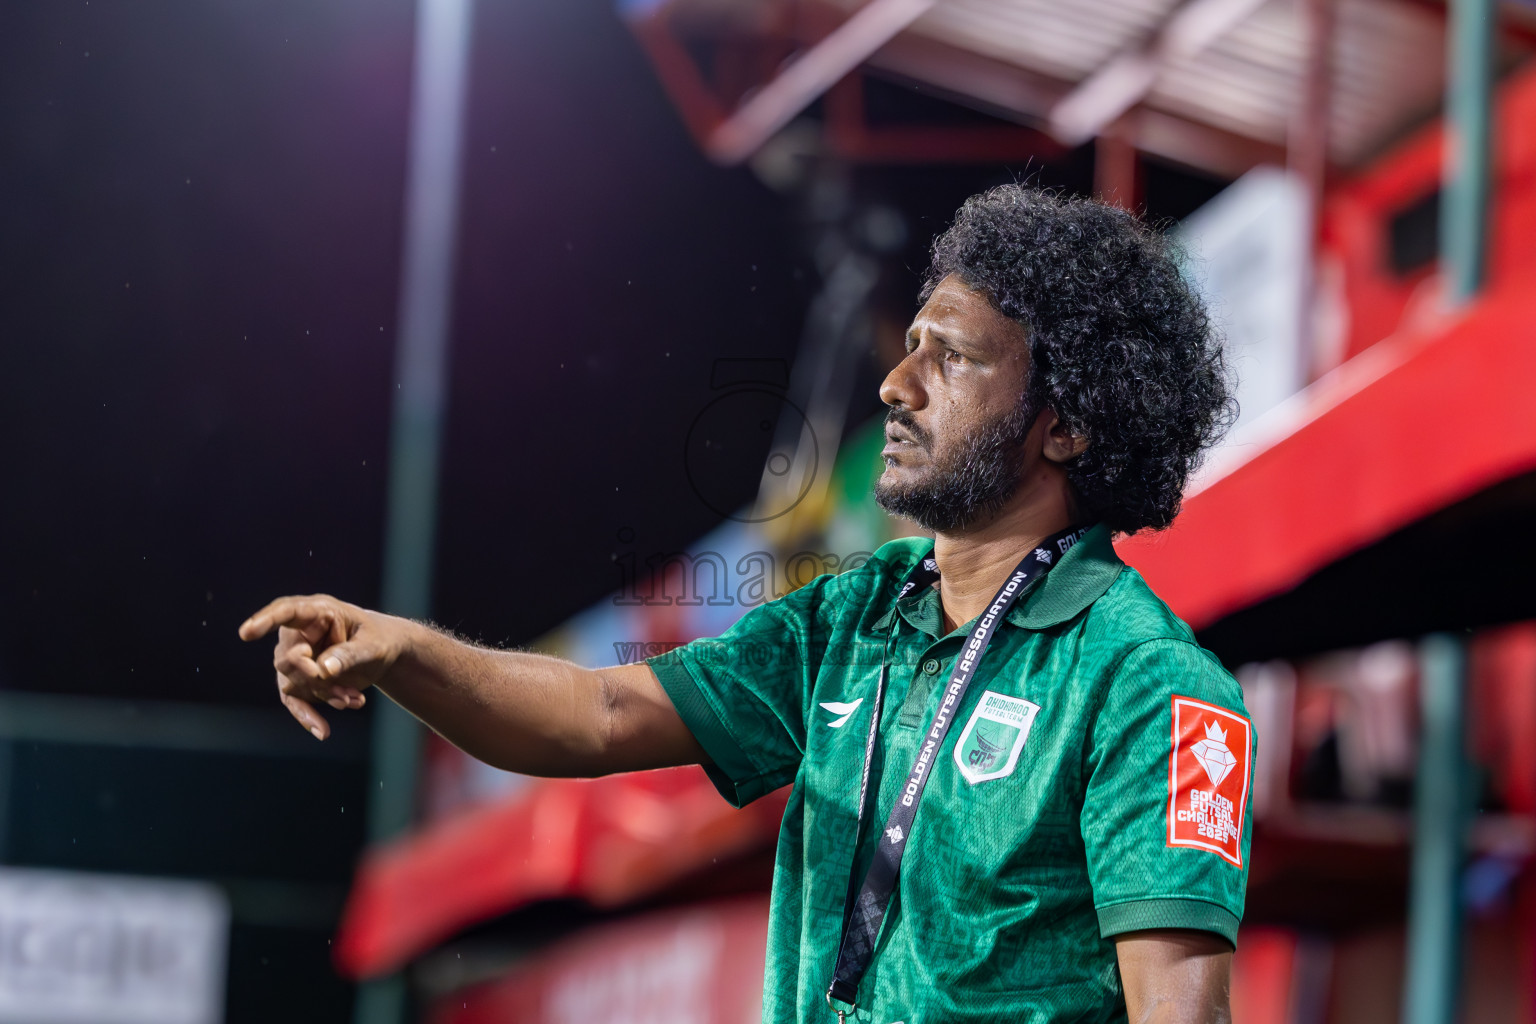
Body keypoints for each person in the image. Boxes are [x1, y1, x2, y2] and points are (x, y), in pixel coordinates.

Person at [241, 186, 1248, 1023]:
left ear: (1066, 426)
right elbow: (598, 715)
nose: (897, 385)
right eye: (910, 345)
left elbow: (1182, 1013)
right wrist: (404, 651)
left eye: (953, 357)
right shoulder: (847, 620)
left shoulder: (1146, 683)